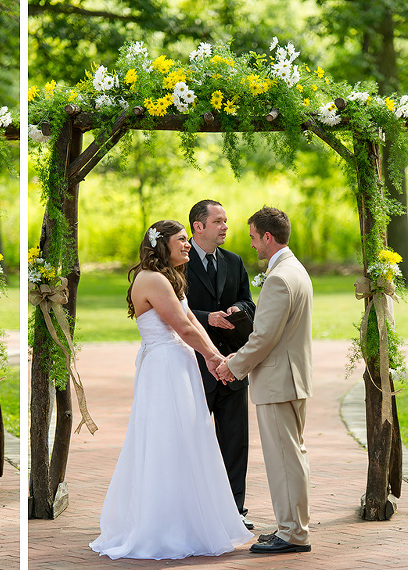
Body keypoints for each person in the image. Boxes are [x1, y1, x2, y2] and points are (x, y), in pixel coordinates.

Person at [89, 220, 253, 560]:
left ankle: (189, 519)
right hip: (163, 368)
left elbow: (192, 322)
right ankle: (162, 526)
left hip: (179, 365)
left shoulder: (168, 279)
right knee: (166, 440)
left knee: (187, 439)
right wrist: (214, 357)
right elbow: (181, 325)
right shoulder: (152, 280)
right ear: (162, 244)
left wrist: (212, 358)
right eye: (181, 240)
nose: (187, 246)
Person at [216, 207, 313, 554]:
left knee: (284, 460)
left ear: (268, 238)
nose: (253, 245)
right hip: (293, 378)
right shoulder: (295, 270)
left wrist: (233, 365)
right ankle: (292, 526)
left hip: (278, 381)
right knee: (292, 457)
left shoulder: (278, 279)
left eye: (255, 238)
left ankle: (293, 534)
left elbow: (263, 338)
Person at [185, 199, 255, 529]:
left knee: (235, 441)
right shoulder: (178, 264)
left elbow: (247, 300)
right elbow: (168, 309)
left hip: (232, 364)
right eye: (219, 221)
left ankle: (234, 513)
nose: (226, 226)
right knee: (194, 442)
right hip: (194, 367)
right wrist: (207, 318)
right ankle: (197, 511)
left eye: (226, 221)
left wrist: (235, 310)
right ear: (198, 226)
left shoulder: (234, 261)